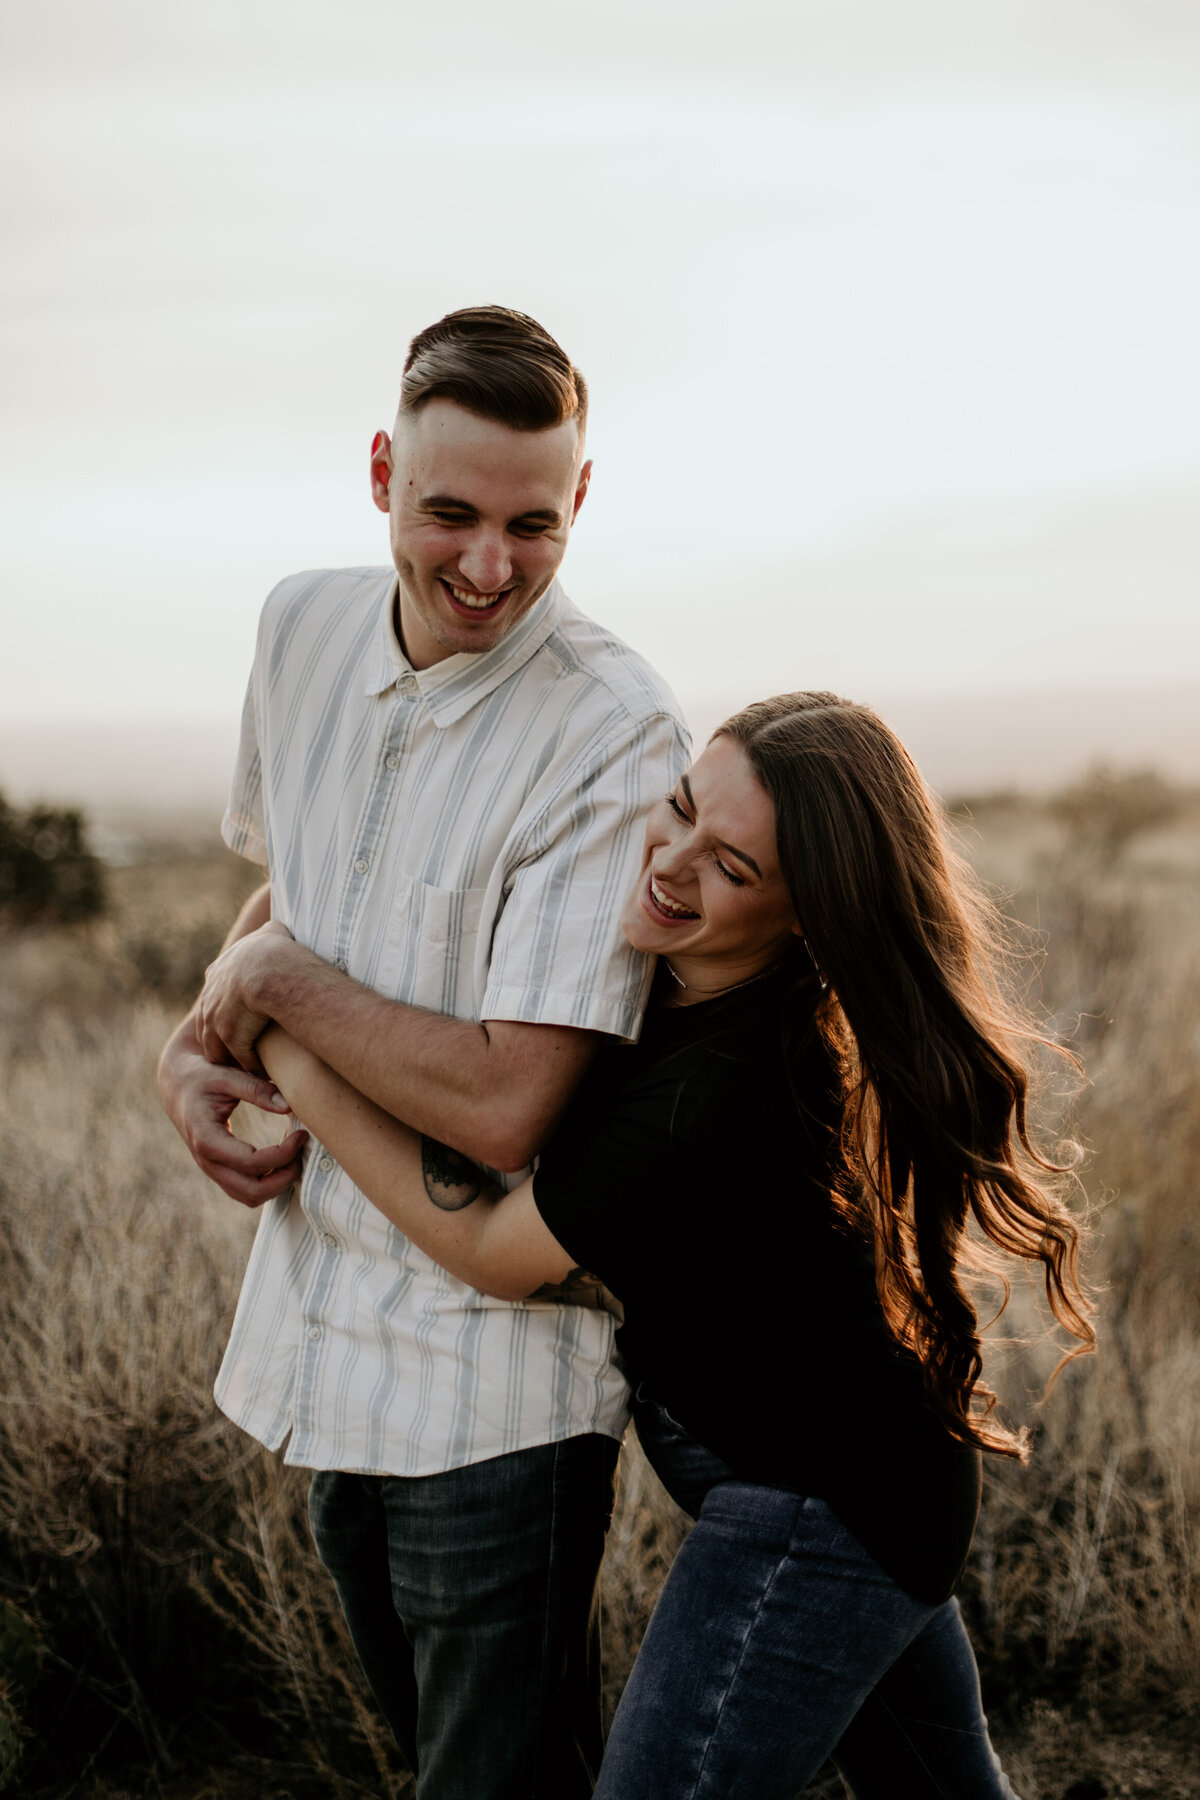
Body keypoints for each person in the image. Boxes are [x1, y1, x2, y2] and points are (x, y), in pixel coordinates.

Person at [222, 692, 1096, 1799]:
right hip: (875, 1486)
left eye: (731, 867)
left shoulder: (718, 1090)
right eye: (679, 808)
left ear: (803, 914)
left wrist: (288, 1047)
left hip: (819, 1512)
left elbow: (493, 1246)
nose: (672, 864)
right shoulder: (668, 974)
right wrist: (254, 967)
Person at [158, 306, 690, 1800]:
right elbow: (293, 888)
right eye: (447, 513)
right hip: (321, 1337)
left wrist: (270, 985)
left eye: (534, 524)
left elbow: (506, 1100)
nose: (487, 567)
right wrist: (194, 1046)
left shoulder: (616, 728)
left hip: (498, 1394)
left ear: (579, 500)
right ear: (382, 470)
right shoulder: (298, 627)